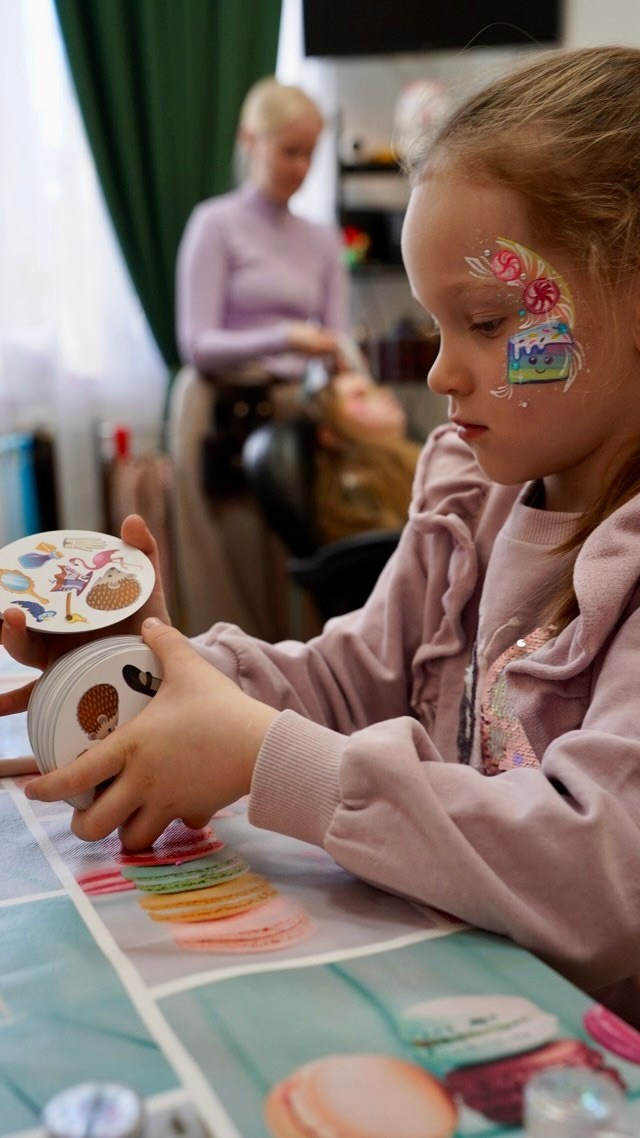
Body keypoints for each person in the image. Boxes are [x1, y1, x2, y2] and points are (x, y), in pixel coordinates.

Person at [8, 45, 640, 1026]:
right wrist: (169, 673)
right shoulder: (473, 500)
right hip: (457, 980)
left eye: (484, 319)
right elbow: (351, 678)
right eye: (436, 325)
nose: (438, 372)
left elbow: (598, 878)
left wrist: (269, 758)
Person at [170, 76, 348, 639]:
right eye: (288, 150)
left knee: (292, 568)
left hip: (293, 413)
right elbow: (197, 344)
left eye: (309, 154)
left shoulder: (321, 240)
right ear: (251, 140)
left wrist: (341, 392)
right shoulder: (214, 224)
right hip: (218, 413)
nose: (300, 166)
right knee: (226, 568)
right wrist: (287, 337)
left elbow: (337, 340)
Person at [304, 363, 423, 542]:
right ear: (330, 434)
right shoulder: (356, 488)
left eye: (375, 388)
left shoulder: (422, 457)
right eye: (360, 395)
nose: (385, 394)